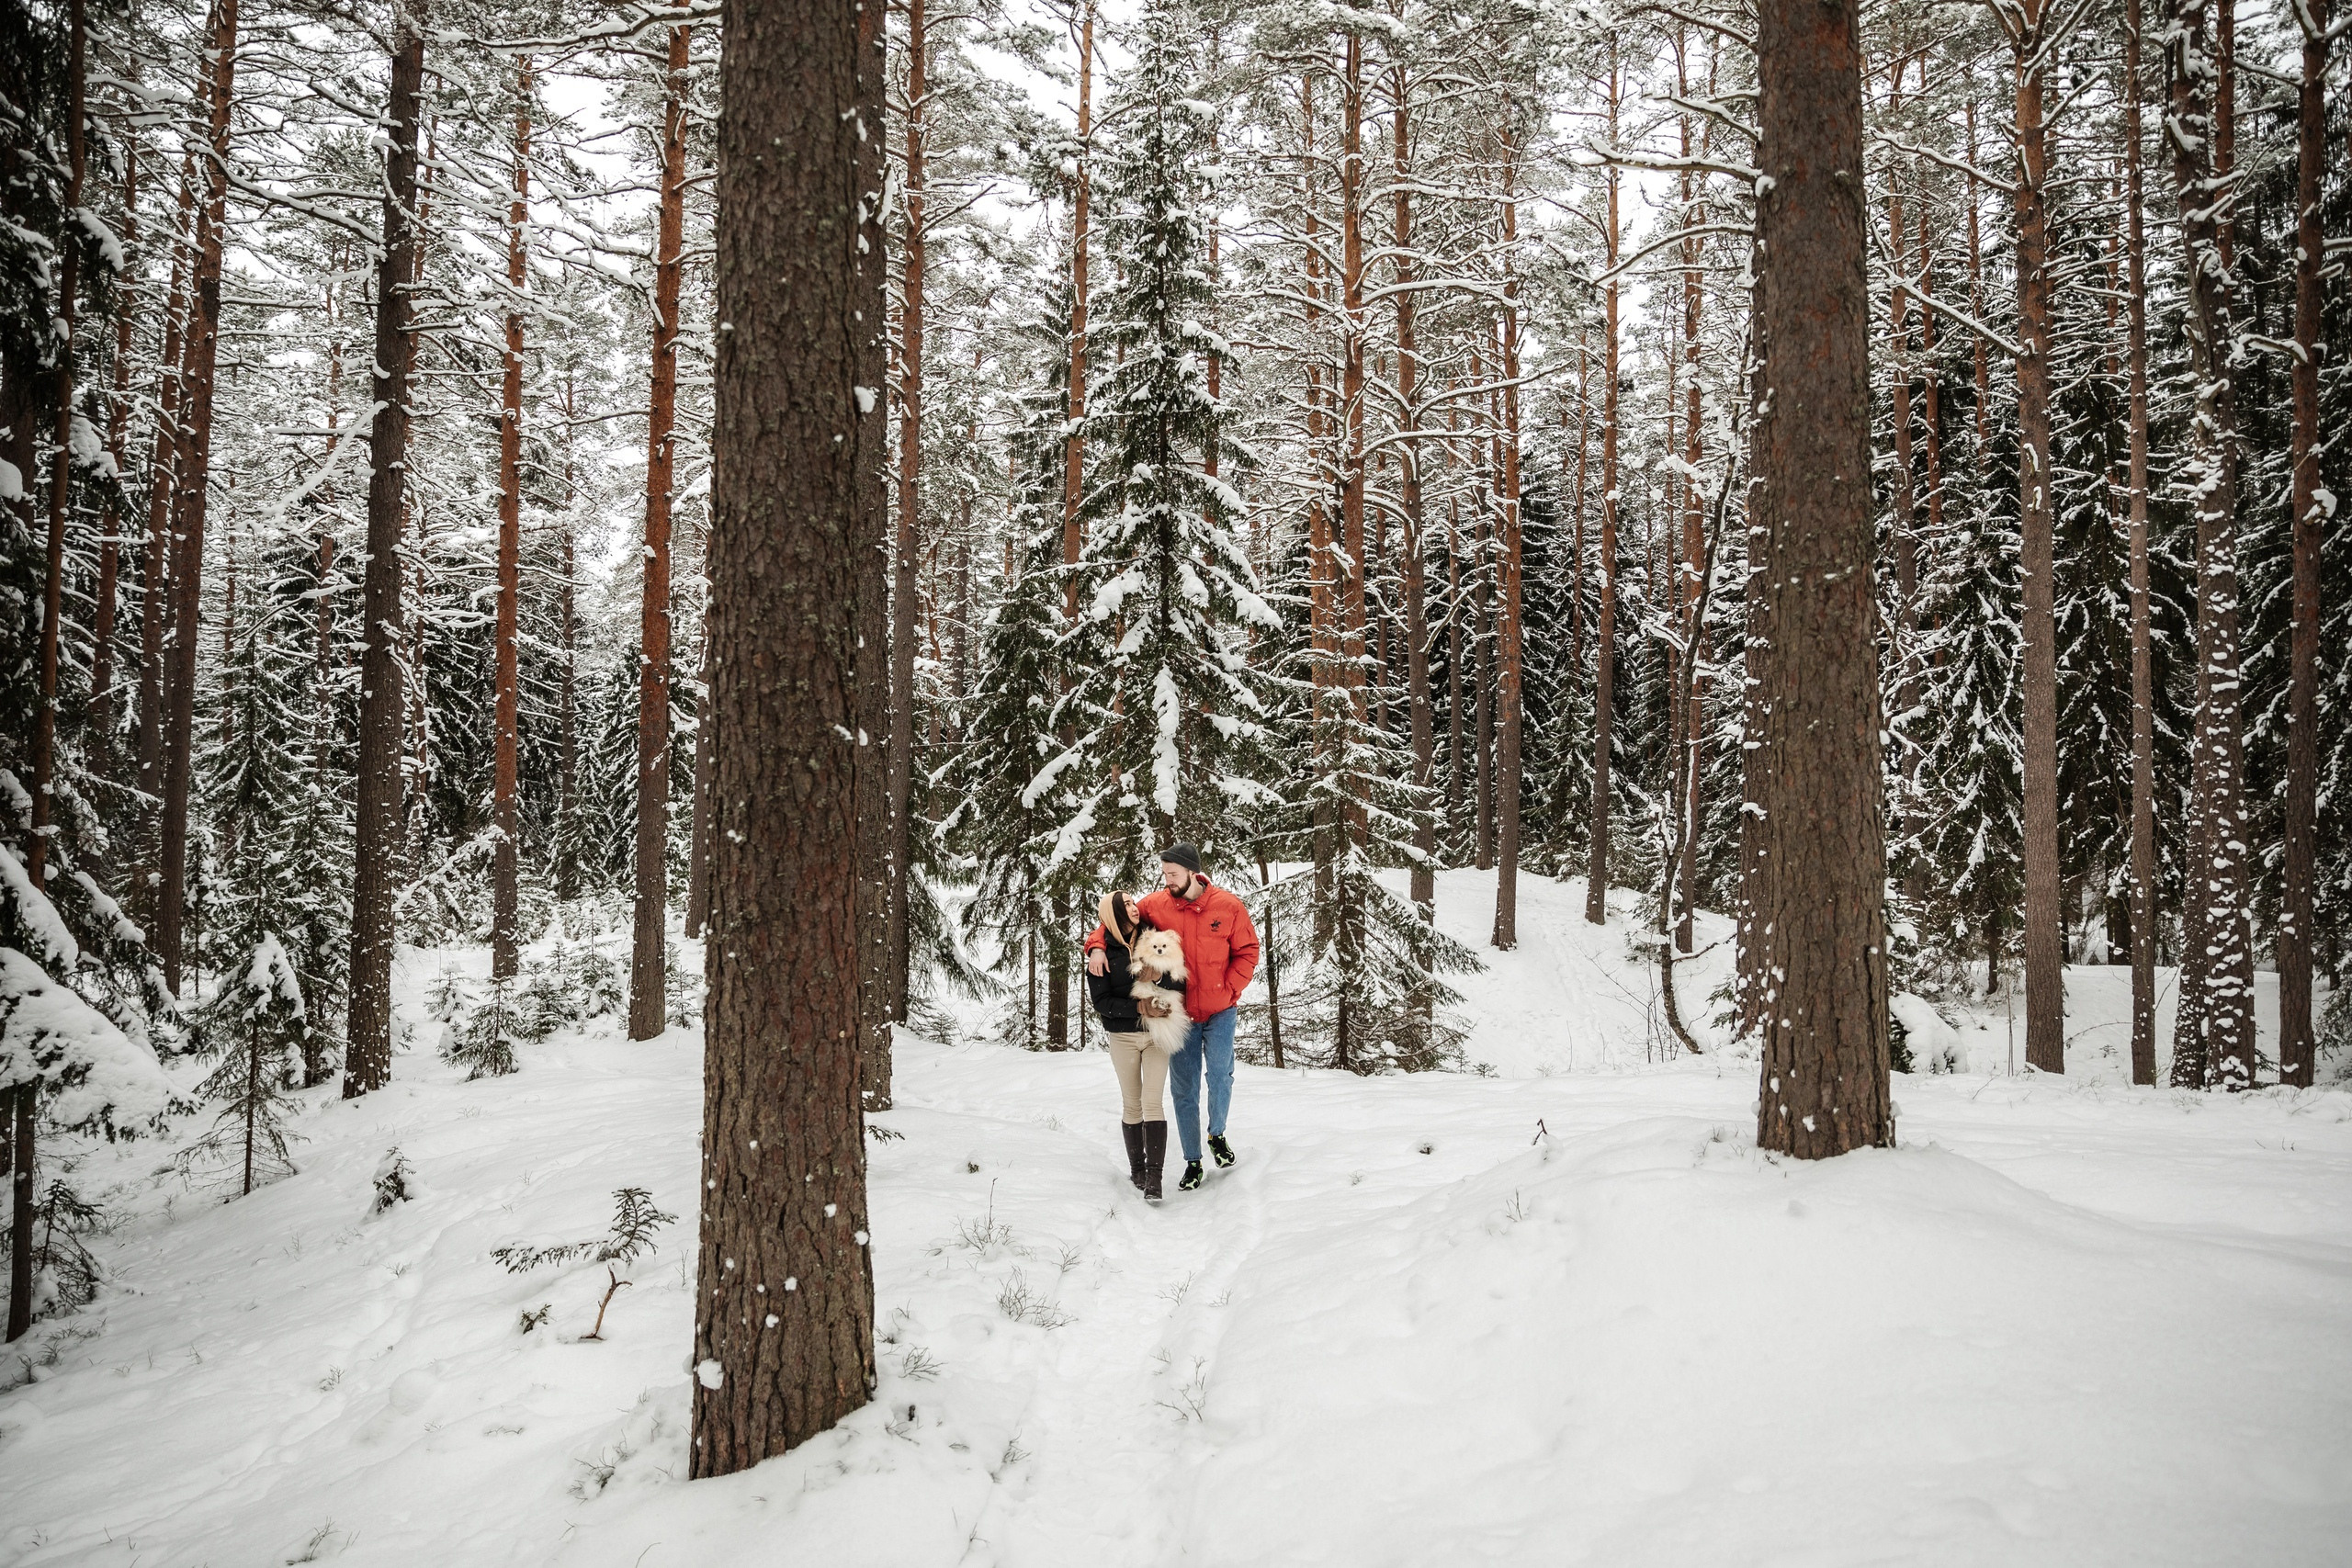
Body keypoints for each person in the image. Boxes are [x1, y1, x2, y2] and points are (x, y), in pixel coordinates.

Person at [1085, 842, 1260, 1193]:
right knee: (1184, 1088)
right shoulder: (1158, 904)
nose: (1167, 881)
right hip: (1181, 1015)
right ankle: (1193, 1160)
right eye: (1164, 874)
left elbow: (1248, 951)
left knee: (1221, 1076)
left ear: (1193, 872)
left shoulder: (1228, 906)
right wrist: (1096, 946)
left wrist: (1229, 989)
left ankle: (1217, 1136)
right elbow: (1113, 921)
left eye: (1173, 874)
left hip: (1221, 1009)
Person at [1083, 891, 1186, 1202]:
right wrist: (1139, 1008)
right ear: (1114, 914)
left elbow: (1180, 981)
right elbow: (1101, 1003)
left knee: (1153, 1102)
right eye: (1126, 905)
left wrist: (1161, 981)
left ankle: (1154, 1179)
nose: (1134, 907)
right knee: (1132, 1103)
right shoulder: (1101, 954)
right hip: (1124, 1037)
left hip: (1158, 1034)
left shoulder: (1153, 937)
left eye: (1133, 902)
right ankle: (1137, 1170)